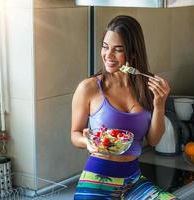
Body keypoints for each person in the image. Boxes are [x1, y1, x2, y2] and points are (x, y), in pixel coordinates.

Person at [71, 15, 175, 200]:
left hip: (133, 179)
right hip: (97, 181)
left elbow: (153, 140)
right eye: (105, 47)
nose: (108, 55)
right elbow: (75, 133)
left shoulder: (148, 86)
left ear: (133, 53)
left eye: (117, 50)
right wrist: (87, 142)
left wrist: (159, 105)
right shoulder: (89, 88)